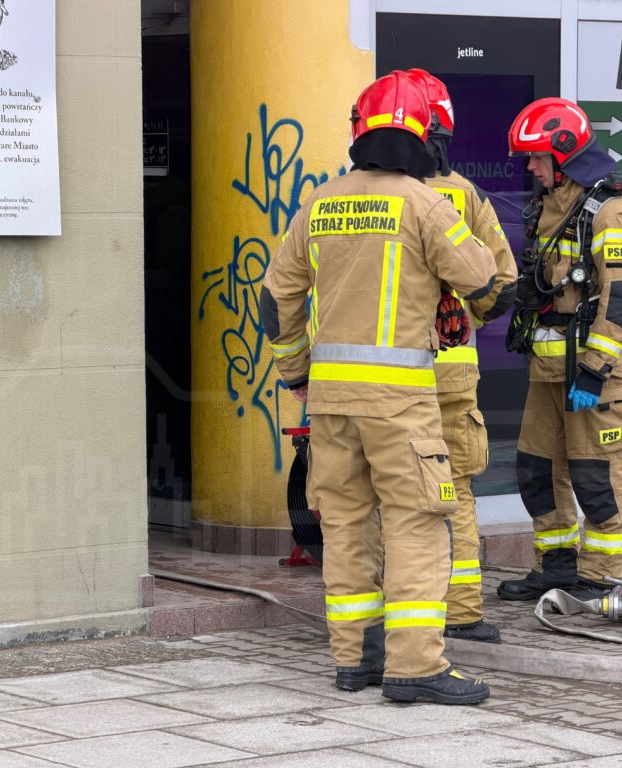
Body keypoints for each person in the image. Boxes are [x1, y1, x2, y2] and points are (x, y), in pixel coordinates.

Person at [261, 71, 497, 705]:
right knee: (418, 523)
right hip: (400, 404)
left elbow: (276, 294)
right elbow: (480, 279)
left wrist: (296, 372)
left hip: (331, 401)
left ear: (358, 132)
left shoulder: (320, 202)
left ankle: (354, 660)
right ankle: (415, 667)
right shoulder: (425, 205)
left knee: (345, 524)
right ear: (424, 134)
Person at [496, 97, 622, 601]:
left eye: (537, 158)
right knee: (538, 472)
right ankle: (555, 568)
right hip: (546, 372)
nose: (531, 167)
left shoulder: (608, 212)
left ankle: (600, 578)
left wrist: (595, 370)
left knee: (595, 479)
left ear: (564, 154)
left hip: (589, 377)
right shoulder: (548, 209)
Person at [404, 68, 518, 644]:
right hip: (451, 378)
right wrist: (466, 316)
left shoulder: (360, 195)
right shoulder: (462, 195)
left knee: (393, 499)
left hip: (386, 382)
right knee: (456, 494)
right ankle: (462, 611)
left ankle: (394, 617)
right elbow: (503, 280)